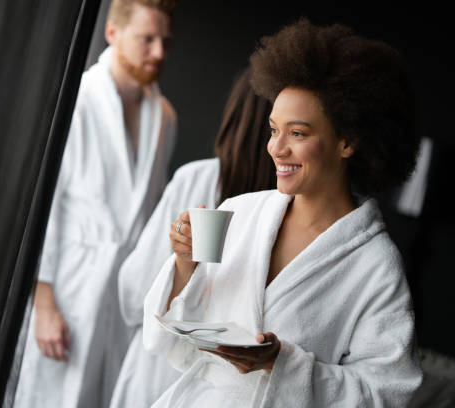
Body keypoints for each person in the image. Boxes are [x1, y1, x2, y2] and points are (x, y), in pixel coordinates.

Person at [143, 18, 423, 407]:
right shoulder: (239, 213)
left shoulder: (375, 266)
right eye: (274, 129)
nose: (276, 148)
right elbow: (171, 340)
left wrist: (281, 363)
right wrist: (184, 264)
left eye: (298, 133)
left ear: (348, 142)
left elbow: (386, 394)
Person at [14, 1, 177, 407]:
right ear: (112, 33)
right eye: (147, 39)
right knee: (46, 395)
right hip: (68, 282)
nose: (158, 52)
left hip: (123, 293)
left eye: (165, 41)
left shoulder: (165, 117)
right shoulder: (79, 98)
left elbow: (152, 209)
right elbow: (46, 204)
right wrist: (44, 302)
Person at [109, 67, 276, 408]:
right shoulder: (285, 208)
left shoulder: (194, 180)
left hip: (158, 374)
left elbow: (132, 291)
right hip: (228, 386)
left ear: (235, 118)